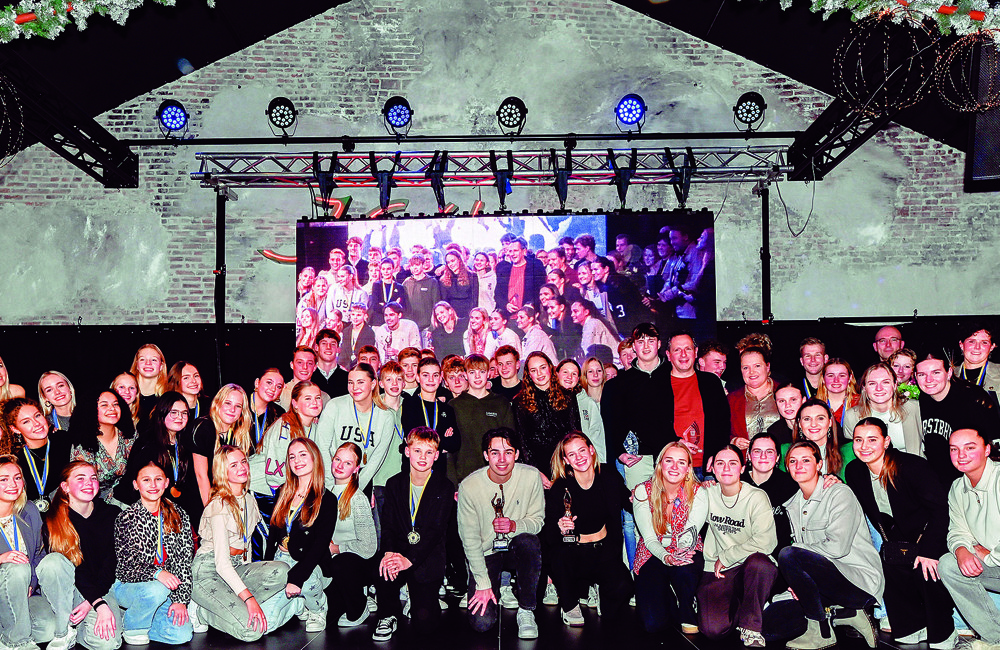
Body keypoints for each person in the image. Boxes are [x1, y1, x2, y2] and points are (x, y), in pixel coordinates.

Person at [845, 418, 956, 648]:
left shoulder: (911, 466)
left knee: (925, 570)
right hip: (897, 539)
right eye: (858, 440)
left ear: (886, 441)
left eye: (872, 439)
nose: (864, 446)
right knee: (889, 562)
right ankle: (913, 627)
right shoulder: (854, 470)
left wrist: (929, 551)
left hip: (930, 536)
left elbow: (940, 511)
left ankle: (944, 632)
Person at [766, 441, 883, 650]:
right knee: (769, 627)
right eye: (792, 461)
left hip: (856, 581)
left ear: (819, 464)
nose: (798, 465)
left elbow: (837, 549)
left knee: (788, 555)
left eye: (806, 460)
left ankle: (821, 631)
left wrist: (796, 565)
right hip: (823, 585)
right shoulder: (792, 504)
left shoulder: (839, 493)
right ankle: (845, 613)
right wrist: (796, 580)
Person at [191, 446, 295, 641]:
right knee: (252, 631)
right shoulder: (219, 505)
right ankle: (202, 612)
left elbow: (246, 545)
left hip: (236, 567)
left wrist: (248, 591)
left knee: (283, 570)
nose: (242, 468)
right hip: (208, 572)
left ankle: (227, 604)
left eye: (243, 462)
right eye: (233, 465)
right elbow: (222, 563)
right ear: (223, 471)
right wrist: (249, 599)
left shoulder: (248, 499)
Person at [457, 428, 544, 639]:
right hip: (487, 552)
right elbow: (470, 540)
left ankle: (526, 609)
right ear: (486, 455)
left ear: (517, 454)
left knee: (529, 543)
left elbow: (538, 522)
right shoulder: (469, 486)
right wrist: (483, 583)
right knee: (482, 622)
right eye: (494, 453)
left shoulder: (531, 476)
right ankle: (494, 586)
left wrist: (515, 525)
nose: (502, 459)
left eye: (508, 452)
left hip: (517, 547)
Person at [689, 445, 777, 647]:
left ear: (743, 468)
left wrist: (727, 556)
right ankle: (747, 604)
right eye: (720, 463)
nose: (726, 468)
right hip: (718, 569)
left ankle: (752, 628)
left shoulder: (756, 496)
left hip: (749, 566)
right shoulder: (706, 494)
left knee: (760, 564)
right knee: (712, 629)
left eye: (733, 463)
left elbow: (767, 541)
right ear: (712, 467)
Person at [372, 427, 456, 641]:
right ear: (407, 451)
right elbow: (388, 524)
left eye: (429, 452)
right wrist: (390, 553)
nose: (423, 457)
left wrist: (410, 559)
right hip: (398, 552)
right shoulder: (394, 483)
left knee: (425, 625)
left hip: (425, 557)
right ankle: (388, 614)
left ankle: (419, 597)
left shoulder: (445, 487)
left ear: (437, 456)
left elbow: (435, 533)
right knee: (382, 565)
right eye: (417, 451)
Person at [545, 432, 632, 627]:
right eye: (572, 454)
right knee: (558, 556)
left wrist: (647, 494)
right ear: (566, 460)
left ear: (591, 450)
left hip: (604, 550)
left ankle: (599, 592)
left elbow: (629, 501)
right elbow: (549, 534)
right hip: (573, 553)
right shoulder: (560, 487)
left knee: (624, 587)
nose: (579, 457)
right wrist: (560, 527)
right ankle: (569, 605)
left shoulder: (608, 474)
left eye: (582, 450)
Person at [39, 461, 123, 650]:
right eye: (80, 478)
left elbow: (112, 563)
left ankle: (76, 630)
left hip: (101, 587)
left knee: (108, 643)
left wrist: (93, 601)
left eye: (93, 478)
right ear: (65, 486)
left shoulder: (112, 514)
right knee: (53, 562)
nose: (89, 483)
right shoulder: (54, 521)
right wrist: (97, 603)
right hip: (66, 589)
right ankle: (64, 627)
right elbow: (76, 570)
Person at [113, 461, 195, 645]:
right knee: (157, 588)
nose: (153, 485)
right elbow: (125, 567)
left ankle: (138, 617)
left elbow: (183, 561)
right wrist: (156, 572)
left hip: (162, 590)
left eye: (158, 479)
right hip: (129, 586)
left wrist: (181, 600)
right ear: (136, 485)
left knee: (182, 635)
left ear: (166, 483)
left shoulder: (178, 514)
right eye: (146, 480)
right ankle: (134, 627)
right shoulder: (126, 517)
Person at [264, 438, 337, 633]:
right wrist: (266, 566)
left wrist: (296, 577)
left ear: (315, 458)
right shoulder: (282, 492)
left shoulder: (326, 499)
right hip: (282, 559)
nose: (297, 460)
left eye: (303, 454)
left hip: (312, 564)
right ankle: (297, 603)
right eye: (292, 457)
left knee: (306, 580)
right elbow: (272, 535)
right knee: (267, 623)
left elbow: (320, 545)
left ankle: (318, 607)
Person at [632, 442, 704, 635]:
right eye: (669, 460)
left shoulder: (699, 493)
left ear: (688, 468)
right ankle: (669, 593)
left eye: (681, 462)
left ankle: (688, 606)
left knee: (684, 571)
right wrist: (666, 557)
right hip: (652, 552)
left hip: (686, 549)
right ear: (660, 464)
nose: (674, 467)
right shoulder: (642, 491)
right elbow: (648, 538)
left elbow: (688, 537)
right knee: (653, 624)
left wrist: (677, 557)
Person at [938, 428, 1000, 647]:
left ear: (986, 450)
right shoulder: (957, 487)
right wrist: (962, 550)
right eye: (954, 449)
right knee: (948, 564)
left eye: (970, 447)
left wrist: (990, 557)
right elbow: (957, 531)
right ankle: (996, 638)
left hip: (995, 560)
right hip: (994, 565)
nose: (961, 455)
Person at [116, 393, 202, 529]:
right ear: (162, 413)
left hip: (172, 508)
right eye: (174, 412)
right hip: (139, 506)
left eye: (184, 413)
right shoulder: (147, 443)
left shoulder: (185, 442)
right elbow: (137, 487)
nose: (179, 417)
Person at [916, 351, 1000, 484]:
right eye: (922, 374)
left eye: (936, 372)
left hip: (971, 480)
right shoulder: (920, 400)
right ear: (915, 376)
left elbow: (994, 446)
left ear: (949, 373)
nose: (928, 379)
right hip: (937, 481)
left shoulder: (973, 400)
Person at [0, 456, 56, 650]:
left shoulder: (30, 510)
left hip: (26, 593)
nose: (12, 484)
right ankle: (17, 642)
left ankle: (8, 631)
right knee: (16, 567)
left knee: (48, 629)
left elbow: (40, 554)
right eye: (3, 479)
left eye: (17, 477)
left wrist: (31, 582)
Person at [314, 363, 397, 491]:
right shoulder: (335, 406)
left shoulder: (386, 416)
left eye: (360, 382)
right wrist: (332, 485)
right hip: (331, 477)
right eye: (350, 382)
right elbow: (321, 446)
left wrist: (354, 491)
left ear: (373, 384)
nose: (354, 387)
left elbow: (376, 460)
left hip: (361, 481)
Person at [326, 442, 377, 627]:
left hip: (355, 562)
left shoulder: (357, 499)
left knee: (341, 564)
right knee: (329, 616)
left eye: (348, 463)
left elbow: (369, 546)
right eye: (338, 459)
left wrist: (337, 548)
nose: (340, 466)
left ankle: (360, 607)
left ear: (356, 469)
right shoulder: (325, 493)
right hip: (331, 560)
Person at [512, 352, 580, 484]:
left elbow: (575, 433)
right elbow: (522, 441)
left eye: (542, 367)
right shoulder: (520, 402)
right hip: (538, 469)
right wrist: (536, 472)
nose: (539, 373)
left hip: (567, 465)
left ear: (550, 367)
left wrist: (572, 465)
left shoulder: (567, 396)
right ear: (528, 375)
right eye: (533, 370)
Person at [450, 354, 516, 484]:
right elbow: (450, 451)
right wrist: (453, 483)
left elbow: (511, 442)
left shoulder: (501, 402)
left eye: (482, 371)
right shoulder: (454, 405)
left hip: (497, 474)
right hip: (465, 476)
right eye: (472, 372)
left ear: (488, 374)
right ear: (466, 375)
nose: (477, 376)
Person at [188, 384, 253, 509]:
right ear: (217, 403)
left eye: (238, 406)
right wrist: (211, 512)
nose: (232, 409)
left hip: (224, 498)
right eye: (227, 403)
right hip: (200, 499)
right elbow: (201, 475)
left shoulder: (238, 434)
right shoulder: (204, 427)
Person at [2, 398, 72, 508]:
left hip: (67, 510)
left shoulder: (64, 441)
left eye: (37, 416)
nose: (36, 423)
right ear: (15, 429)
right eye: (26, 421)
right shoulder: (14, 459)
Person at [69, 390, 137, 500]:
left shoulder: (130, 436)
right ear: (91, 409)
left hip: (129, 498)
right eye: (104, 405)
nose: (112, 409)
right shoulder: (82, 444)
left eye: (115, 404)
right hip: (95, 503)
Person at [844, 362, 923, 455]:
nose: (879, 388)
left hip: (914, 466)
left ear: (894, 385)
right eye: (872, 383)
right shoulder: (852, 416)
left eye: (885, 382)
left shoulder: (914, 408)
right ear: (864, 387)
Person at [401, 358, 460, 478]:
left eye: (435, 375)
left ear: (440, 378)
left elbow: (455, 443)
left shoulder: (447, 409)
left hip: (439, 473)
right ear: (418, 377)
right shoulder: (409, 404)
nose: (431, 380)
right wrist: (442, 440)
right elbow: (413, 439)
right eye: (426, 375)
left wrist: (428, 441)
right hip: (412, 473)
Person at [742, 432, 797, 555]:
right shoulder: (737, 483)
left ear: (777, 457)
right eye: (757, 451)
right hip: (739, 553)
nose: (763, 456)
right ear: (749, 456)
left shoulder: (790, 485)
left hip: (777, 556)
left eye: (769, 451)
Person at [779, 398, 855, 481]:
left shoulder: (848, 450)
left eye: (820, 418)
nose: (813, 424)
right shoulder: (786, 450)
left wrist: (840, 485)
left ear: (830, 422)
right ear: (799, 423)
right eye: (807, 419)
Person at [728, 339, 779, 449]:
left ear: (767, 366)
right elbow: (720, 431)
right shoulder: (731, 400)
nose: (751, 372)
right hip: (746, 462)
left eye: (757, 366)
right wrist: (733, 440)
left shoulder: (785, 392)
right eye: (746, 367)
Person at [555, 360, 606, 462]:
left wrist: (601, 463)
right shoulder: (547, 401)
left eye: (574, 374)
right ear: (556, 374)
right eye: (565, 372)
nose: (569, 377)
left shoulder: (586, 402)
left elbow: (597, 435)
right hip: (556, 461)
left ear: (578, 378)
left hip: (581, 461)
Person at [494, 237, 547, 317]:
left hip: (529, 316)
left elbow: (540, 290)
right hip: (508, 317)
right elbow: (498, 294)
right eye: (510, 251)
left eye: (515, 251)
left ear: (524, 251)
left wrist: (529, 308)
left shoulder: (535, 266)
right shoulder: (504, 270)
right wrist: (506, 305)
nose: (512, 254)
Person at [955, 323, 1000, 405]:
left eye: (984, 342)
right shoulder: (948, 375)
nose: (977, 347)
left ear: (992, 347)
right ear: (961, 344)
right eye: (971, 341)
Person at [278, 347, 330, 411]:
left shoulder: (323, 397)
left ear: (314, 367)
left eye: (309, 363)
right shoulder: (280, 393)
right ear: (292, 365)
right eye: (300, 362)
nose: (305, 367)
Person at [815, 359, 859, 432]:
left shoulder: (861, 403)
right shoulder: (814, 405)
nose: (836, 380)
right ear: (823, 379)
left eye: (842, 375)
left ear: (850, 378)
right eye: (831, 375)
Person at [570, 299, 619, 364]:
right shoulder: (592, 323)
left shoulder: (592, 324)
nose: (572, 315)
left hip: (614, 363)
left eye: (575, 311)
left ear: (586, 312)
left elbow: (587, 350)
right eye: (572, 312)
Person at [248, 367, 285, 450]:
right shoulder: (240, 405)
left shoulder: (279, 414)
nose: (273, 389)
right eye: (269, 383)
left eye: (278, 387)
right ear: (257, 383)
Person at [402, 254, 441, 332]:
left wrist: (432, 326)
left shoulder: (432, 282)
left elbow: (436, 304)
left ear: (423, 265)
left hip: (427, 327)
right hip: (410, 327)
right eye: (412, 265)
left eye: (417, 265)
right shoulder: (406, 283)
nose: (414, 268)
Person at [130, 344, 168, 422]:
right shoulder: (125, 393)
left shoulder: (168, 397)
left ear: (161, 366)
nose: (148, 363)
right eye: (142, 359)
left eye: (154, 360)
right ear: (136, 365)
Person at [369, 259, 408, 328]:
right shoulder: (376, 285)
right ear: (381, 270)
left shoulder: (400, 287)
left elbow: (402, 308)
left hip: (394, 323)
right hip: (378, 322)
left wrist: (383, 305)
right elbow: (375, 306)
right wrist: (393, 306)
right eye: (383, 269)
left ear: (393, 269)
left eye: (388, 269)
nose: (386, 272)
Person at [439, 249, 479, 318]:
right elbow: (445, 301)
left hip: (468, 315)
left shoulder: (472, 276)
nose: (451, 264)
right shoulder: (443, 280)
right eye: (448, 262)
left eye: (453, 261)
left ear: (459, 260)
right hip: (452, 316)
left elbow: (474, 299)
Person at [338, 303, 377, 369]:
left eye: (358, 315)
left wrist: (348, 368)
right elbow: (343, 352)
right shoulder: (346, 331)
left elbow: (364, 355)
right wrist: (341, 366)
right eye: (353, 314)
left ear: (365, 316)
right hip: (346, 366)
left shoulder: (369, 333)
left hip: (361, 366)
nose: (355, 318)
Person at [311, 329, 348, 397]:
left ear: (338, 349)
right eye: (324, 343)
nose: (328, 347)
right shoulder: (309, 376)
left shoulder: (347, 378)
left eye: (333, 344)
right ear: (316, 347)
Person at [767, 382, 803, 447]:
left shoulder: (813, 427)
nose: (787, 405)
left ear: (803, 400)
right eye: (782, 401)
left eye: (793, 400)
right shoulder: (774, 431)